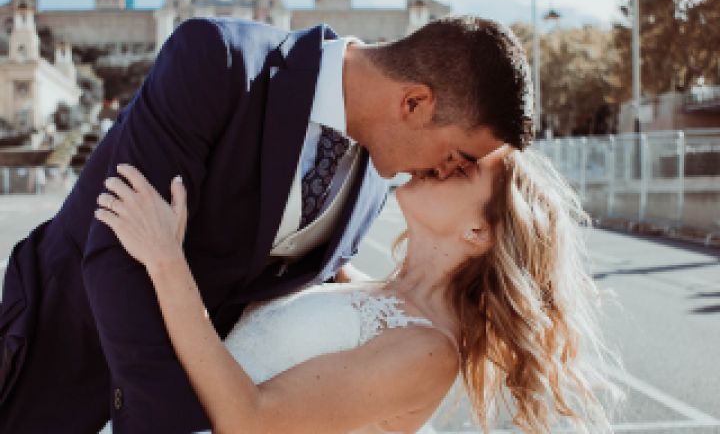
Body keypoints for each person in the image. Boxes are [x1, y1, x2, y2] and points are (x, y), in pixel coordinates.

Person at [0, 16, 533, 432]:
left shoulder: (376, 181)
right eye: (458, 155)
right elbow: (117, 246)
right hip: (62, 366)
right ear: (414, 102)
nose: (446, 171)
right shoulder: (218, 60)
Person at [94, 143, 622, 434]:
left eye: (463, 170)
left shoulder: (430, 352)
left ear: (478, 232)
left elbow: (248, 420)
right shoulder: (360, 286)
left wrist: (165, 260)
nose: (441, 161)